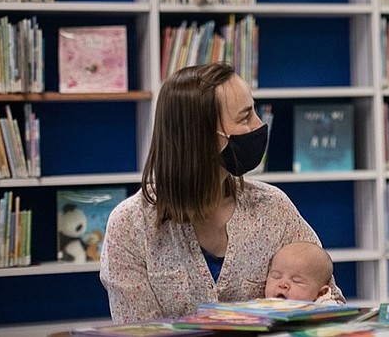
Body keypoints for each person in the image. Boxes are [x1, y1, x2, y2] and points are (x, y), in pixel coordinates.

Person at [100, 63, 346, 321]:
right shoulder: (130, 226)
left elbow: (331, 303)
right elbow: (136, 330)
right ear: (202, 137)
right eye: (245, 117)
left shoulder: (274, 208)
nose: (259, 125)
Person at [265, 241, 335, 302]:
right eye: (276, 277)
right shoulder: (258, 307)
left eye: (296, 281)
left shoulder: (325, 311)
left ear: (321, 293)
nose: (283, 284)